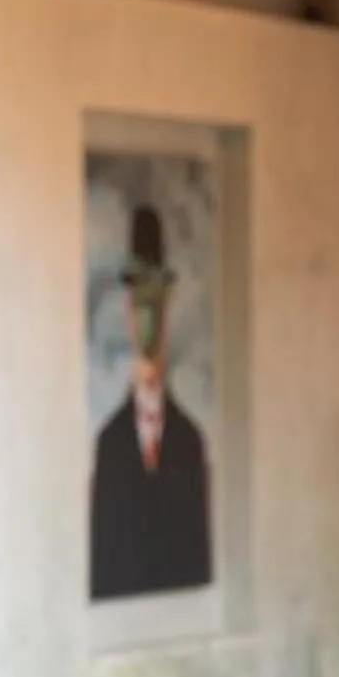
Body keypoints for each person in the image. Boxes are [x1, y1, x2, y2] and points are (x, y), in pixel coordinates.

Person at [88, 202, 213, 599]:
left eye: (156, 300)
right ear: (126, 311)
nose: (148, 317)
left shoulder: (190, 442)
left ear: (170, 305)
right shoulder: (109, 444)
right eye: (139, 301)